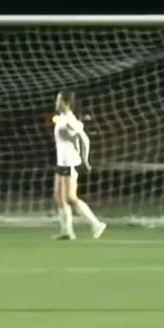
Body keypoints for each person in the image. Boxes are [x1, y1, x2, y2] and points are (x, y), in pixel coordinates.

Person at [51, 92, 106, 241]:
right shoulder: (61, 118)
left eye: (59, 100)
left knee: (70, 197)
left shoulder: (70, 119)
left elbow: (85, 139)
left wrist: (85, 160)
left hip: (70, 163)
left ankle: (96, 224)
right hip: (61, 162)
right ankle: (67, 231)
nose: (56, 102)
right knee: (58, 197)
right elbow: (69, 139)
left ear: (66, 103)